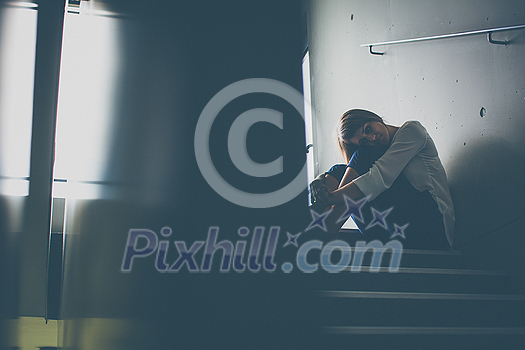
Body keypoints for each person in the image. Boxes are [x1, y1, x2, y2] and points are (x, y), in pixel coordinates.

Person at [309, 109, 454, 250]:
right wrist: (318, 181)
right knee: (339, 170)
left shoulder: (412, 130)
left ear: (374, 118)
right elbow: (348, 173)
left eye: (368, 129)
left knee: (365, 157)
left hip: (433, 228)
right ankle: (327, 226)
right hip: (395, 232)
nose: (372, 138)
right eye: (363, 141)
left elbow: (380, 178)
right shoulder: (376, 151)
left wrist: (329, 199)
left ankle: (327, 228)